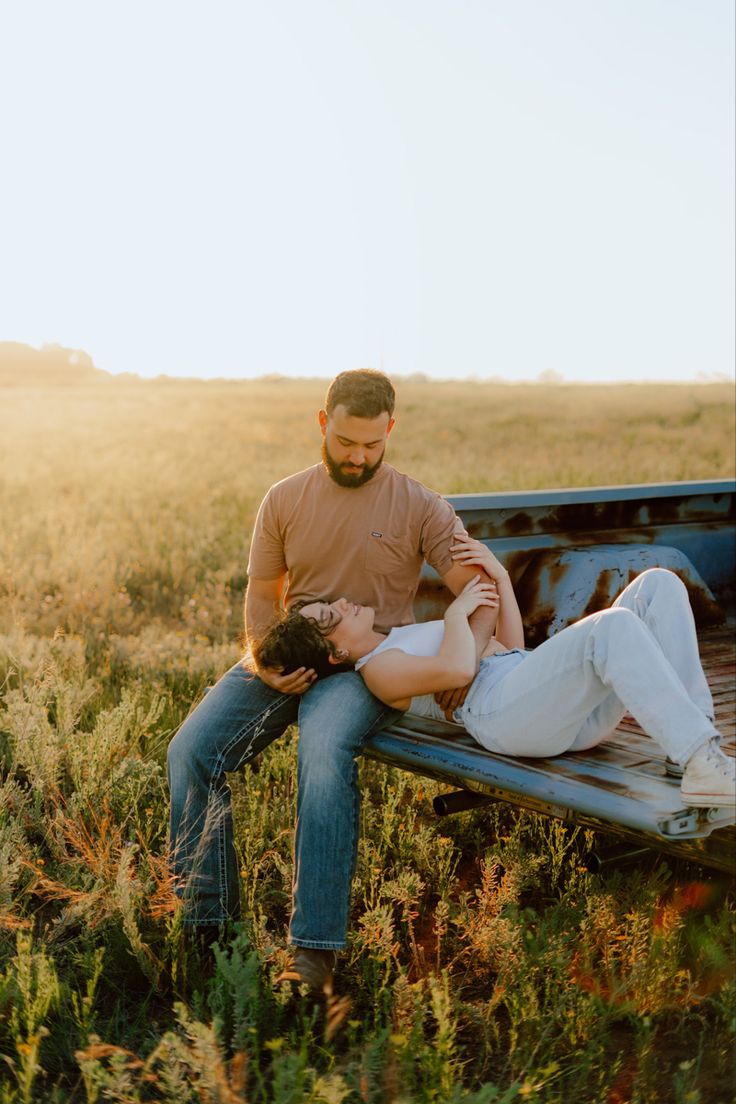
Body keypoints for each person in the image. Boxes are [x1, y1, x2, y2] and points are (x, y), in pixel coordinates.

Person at [166, 369, 496, 993]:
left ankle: (312, 954)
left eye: (372, 445)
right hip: (290, 649)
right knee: (190, 751)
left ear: (390, 431)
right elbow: (262, 594)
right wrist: (262, 660)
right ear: (323, 423)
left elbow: (478, 592)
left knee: (322, 753)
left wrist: (470, 657)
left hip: (368, 662)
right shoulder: (284, 499)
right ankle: (206, 925)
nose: (358, 456)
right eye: (346, 441)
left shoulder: (421, 504)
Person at [254, 534, 736, 810]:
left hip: (536, 696)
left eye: (329, 604)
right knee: (610, 628)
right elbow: (461, 668)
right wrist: (455, 616)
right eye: (330, 617)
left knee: (657, 586)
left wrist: (500, 578)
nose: (341, 603)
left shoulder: (396, 639)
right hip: (504, 716)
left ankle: (695, 753)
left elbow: (512, 647)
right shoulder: (378, 671)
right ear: (335, 654)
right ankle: (701, 764)